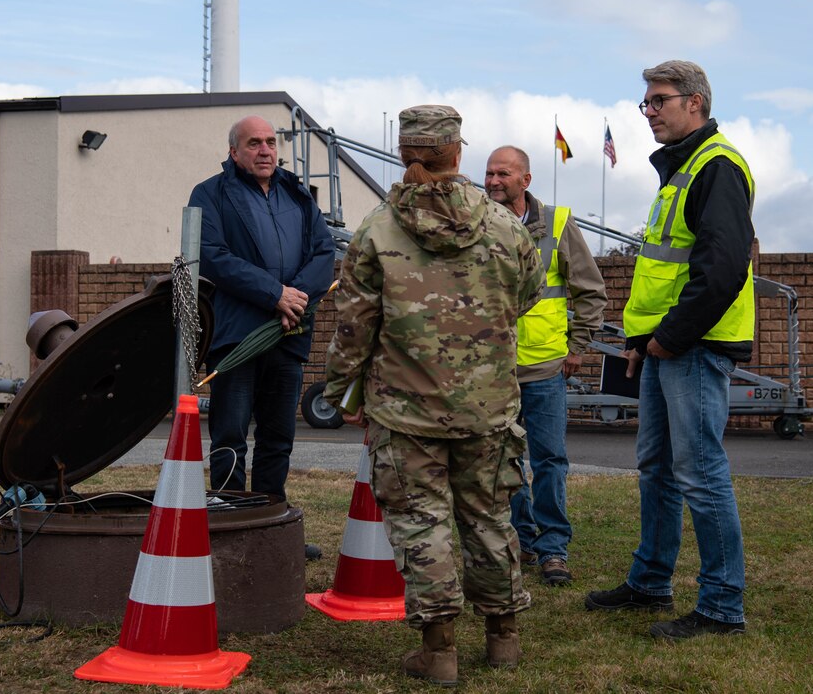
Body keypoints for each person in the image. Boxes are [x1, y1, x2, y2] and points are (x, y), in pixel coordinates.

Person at [323, 105, 544, 685]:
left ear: (404, 154)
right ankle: (503, 639)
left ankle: (439, 650)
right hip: (488, 407)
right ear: (459, 153)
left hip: (404, 409)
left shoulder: (377, 229)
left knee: (424, 525)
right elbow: (525, 294)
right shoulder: (505, 226)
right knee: (489, 517)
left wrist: (341, 392)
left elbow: (353, 325)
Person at [584, 60, 754, 639]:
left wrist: (668, 339)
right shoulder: (680, 170)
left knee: (700, 473)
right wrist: (642, 343)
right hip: (665, 349)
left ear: (696, 103)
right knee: (656, 468)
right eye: (647, 102)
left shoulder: (717, 167)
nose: (650, 111)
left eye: (659, 100)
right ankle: (652, 580)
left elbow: (723, 269)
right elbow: (664, 272)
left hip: (694, 348)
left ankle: (722, 607)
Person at [188, 114, 335, 560]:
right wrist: (274, 293)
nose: (265, 150)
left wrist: (296, 299)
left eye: (271, 142)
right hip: (237, 338)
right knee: (230, 434)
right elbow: (210, 255)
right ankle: (231, 528)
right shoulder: (210, 194)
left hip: (288, 334)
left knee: (277, 435)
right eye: (254, 143)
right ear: (234, 151)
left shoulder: (297, 193)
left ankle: (271, 526)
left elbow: (324, 252)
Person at [484, 146, 607, 587]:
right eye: (489, 173)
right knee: (504, 462)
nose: (494, 181)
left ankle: (554, 547)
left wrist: (578, 346)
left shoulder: (556, 223)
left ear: (526, 180)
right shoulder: (477, 223)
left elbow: (589, 290)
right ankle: (521, 541)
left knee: (550, 460)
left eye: (504, 173)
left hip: (544, 371)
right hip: (492, 373)